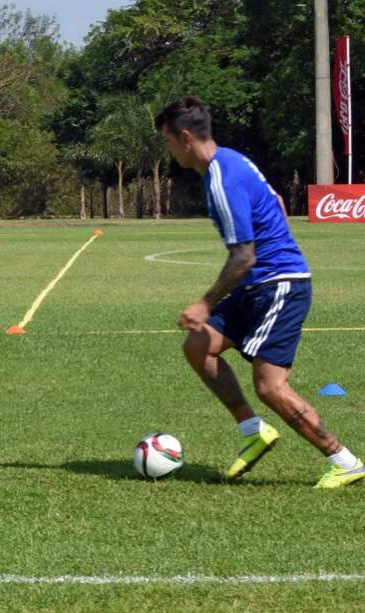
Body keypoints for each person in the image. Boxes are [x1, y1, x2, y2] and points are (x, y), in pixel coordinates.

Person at [155, 97, 364, 489]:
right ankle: (254, 431)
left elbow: (243, 256)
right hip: (260, 283)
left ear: (185, 138)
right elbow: (278, 202)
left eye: (167, 141)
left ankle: (345, 460)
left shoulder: (222, 177)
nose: (168, 150)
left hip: (279, 284)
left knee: (270, 386)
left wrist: (205, 303)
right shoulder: (233, 160)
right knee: (198, 346)